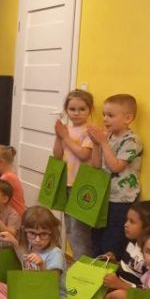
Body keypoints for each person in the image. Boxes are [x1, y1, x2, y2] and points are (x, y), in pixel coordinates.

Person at [87, 94, 142, 258]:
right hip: (104, 197)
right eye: (104, 114)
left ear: (128, 118)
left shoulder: (132, 140)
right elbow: (96, 165)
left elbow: (116, 166)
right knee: (96, 239)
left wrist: (103, 142)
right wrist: (96, 144)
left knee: (112, 243)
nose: (105, 119)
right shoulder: (108, 137)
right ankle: (95, 271)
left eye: (110, 115)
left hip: (121, 201)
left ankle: (111, 272)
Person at [52, 89, 95, 260]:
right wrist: (59, 136)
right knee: (70, 228)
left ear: (90, 110)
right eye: (72, 109)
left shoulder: (90, 131)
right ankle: (78, 262)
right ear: (66, 110)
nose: (76, 113)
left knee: (79, 231)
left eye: (82, 109)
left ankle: (83, 265)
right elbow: (57, 155)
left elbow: (84, 154)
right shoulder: (66, 130)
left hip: (81, 186)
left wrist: (65, 136)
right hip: (67, 184)